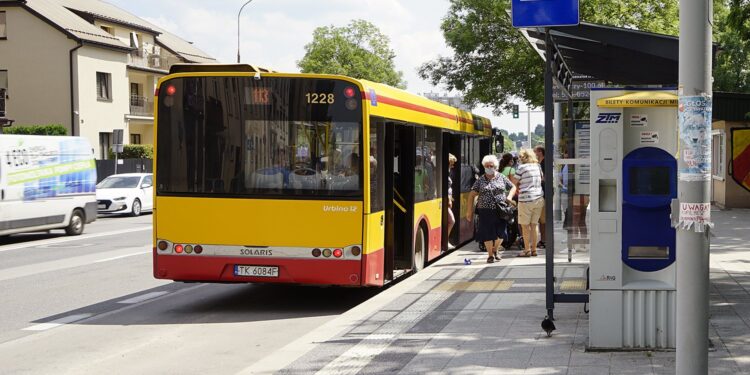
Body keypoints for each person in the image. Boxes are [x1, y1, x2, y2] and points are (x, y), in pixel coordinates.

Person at [466, 155, 517, 263]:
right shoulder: (480, 180)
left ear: (496, 167)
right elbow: (471, 195)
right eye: (487, 166)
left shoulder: (501, 177)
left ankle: (495, 249)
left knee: (501, 232)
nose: (489, 167)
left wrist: (509, 197)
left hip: (500, 209)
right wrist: (469, 211)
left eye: (491, 165)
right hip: (485, 210)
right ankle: (490, 255)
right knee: (487, 233)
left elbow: (513, 186)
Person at [514, 148, 544, 257]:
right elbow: (542, 178)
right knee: (534, 224)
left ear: (523, 157)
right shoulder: (538, 166)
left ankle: (527, 250)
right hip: (538, 198)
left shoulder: (521, 168)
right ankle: (534, 249)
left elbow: (514, 182)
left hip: (525, 199)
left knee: (525, 226)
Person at [534, 145, 547, 249]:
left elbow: (545, 178)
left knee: (543, 220)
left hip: (544, 194)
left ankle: (544, 240)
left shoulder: (543, 163)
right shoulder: (540, 163)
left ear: (540, 152)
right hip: (542, 193)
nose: (534, 154)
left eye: (535, 152)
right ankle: (543, 239)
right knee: (541, 219)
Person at [447, 153, 458, 250]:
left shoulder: (447, 171)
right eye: (451, 163)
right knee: (452, 221)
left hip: (447, 199)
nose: (453, 165)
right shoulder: (444, 172)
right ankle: (445, 241)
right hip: (445, 201)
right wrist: (449, 199)